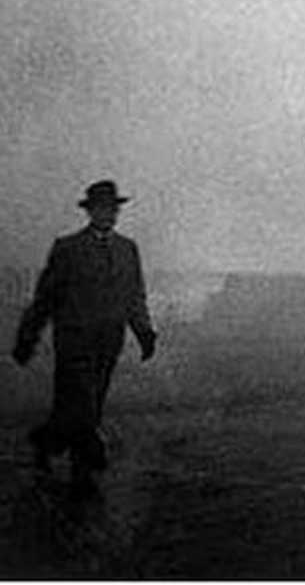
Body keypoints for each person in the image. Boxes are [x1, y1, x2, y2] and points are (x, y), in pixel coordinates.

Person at [11, 179, 158, 499]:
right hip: (74, 341)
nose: (108, 214)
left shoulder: (127, 250)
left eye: (112, 209)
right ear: (90, 212)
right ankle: (83, 472)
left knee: (86, 405)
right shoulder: (68, 249)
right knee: (84, 406)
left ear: (117, 213)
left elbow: (134, 296)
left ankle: (45, 440)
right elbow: (45, 297)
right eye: (101, 208)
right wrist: (27, 337)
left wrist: (144, 331)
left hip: (109, 341)